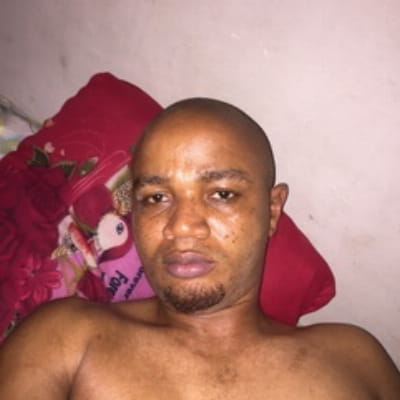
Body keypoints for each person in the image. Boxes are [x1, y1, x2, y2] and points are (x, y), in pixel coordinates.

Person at [0, 98, 399, 399]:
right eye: (156, 198)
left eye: (221, 193)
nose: (181, 226)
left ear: (272, 210)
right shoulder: (66, 338)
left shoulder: (355, 360)